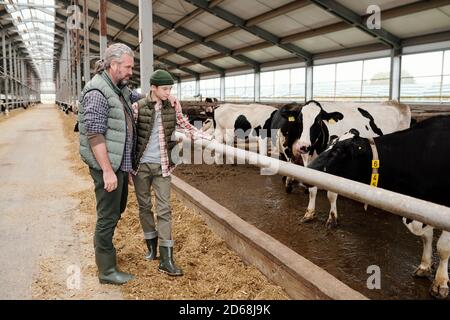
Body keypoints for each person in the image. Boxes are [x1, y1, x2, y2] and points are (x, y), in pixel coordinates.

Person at [132, 69, 212, 276]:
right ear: (153, 88)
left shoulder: (172, 107)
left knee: (165, 209)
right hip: (140, 167)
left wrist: (201, 136)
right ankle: (152, 248)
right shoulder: (138, 107)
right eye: (165, 88)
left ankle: (167, 259)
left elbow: (184, 124)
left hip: (163, 166)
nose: (169, 92)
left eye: (170, 89)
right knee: (144, 206)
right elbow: (130, 136)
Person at [78, 43, 142, 285]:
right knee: (107, 215)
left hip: (119, 163)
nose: (130, 71)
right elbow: (94, 135)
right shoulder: (97, 92)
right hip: (108, 165)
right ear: (114, 65)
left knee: (116, 210)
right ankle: (106, 270)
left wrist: (165, 96)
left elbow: (139, 97)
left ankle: (106, 257)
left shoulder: (117, 88)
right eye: (127, 67)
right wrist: (107, 171)